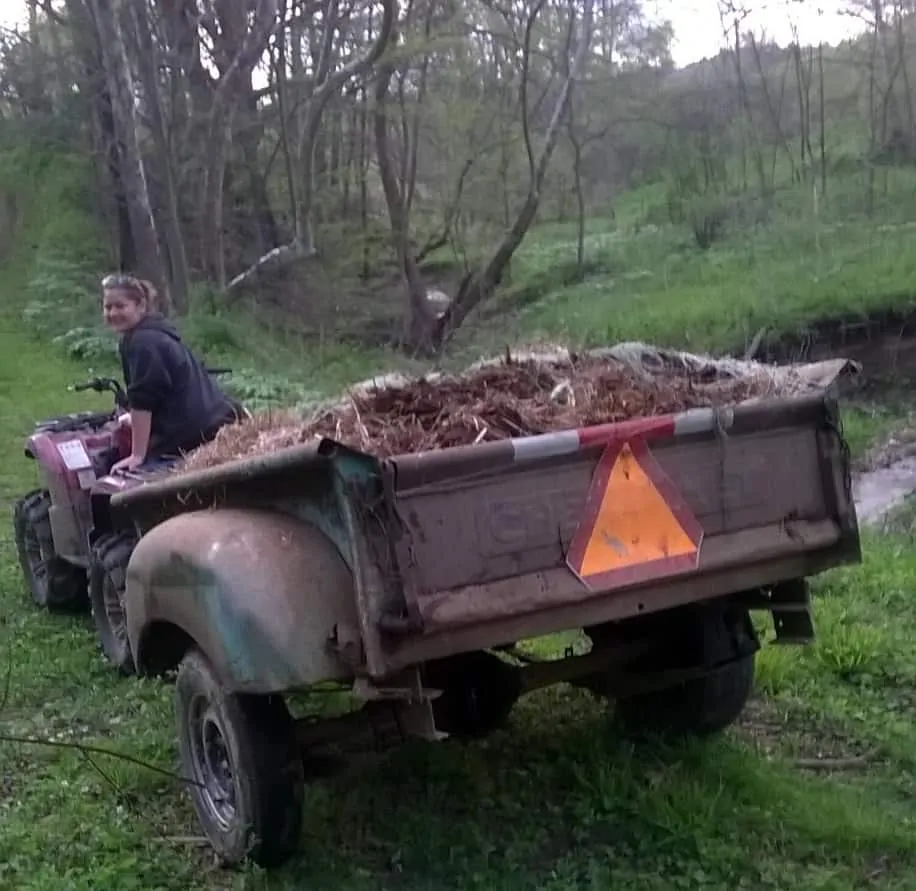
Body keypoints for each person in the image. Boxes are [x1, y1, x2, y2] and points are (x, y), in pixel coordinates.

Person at [101, 273, 240, 473]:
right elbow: (162, 391)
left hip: (193, 434)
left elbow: (143, 399)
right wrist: (134, 418)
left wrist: (137, 455)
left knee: (125, 472)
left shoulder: (144, 342)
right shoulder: (157, 332)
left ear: (141, 305)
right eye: (108, 307)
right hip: (217, 418)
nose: (113, 313)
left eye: (121, 306)